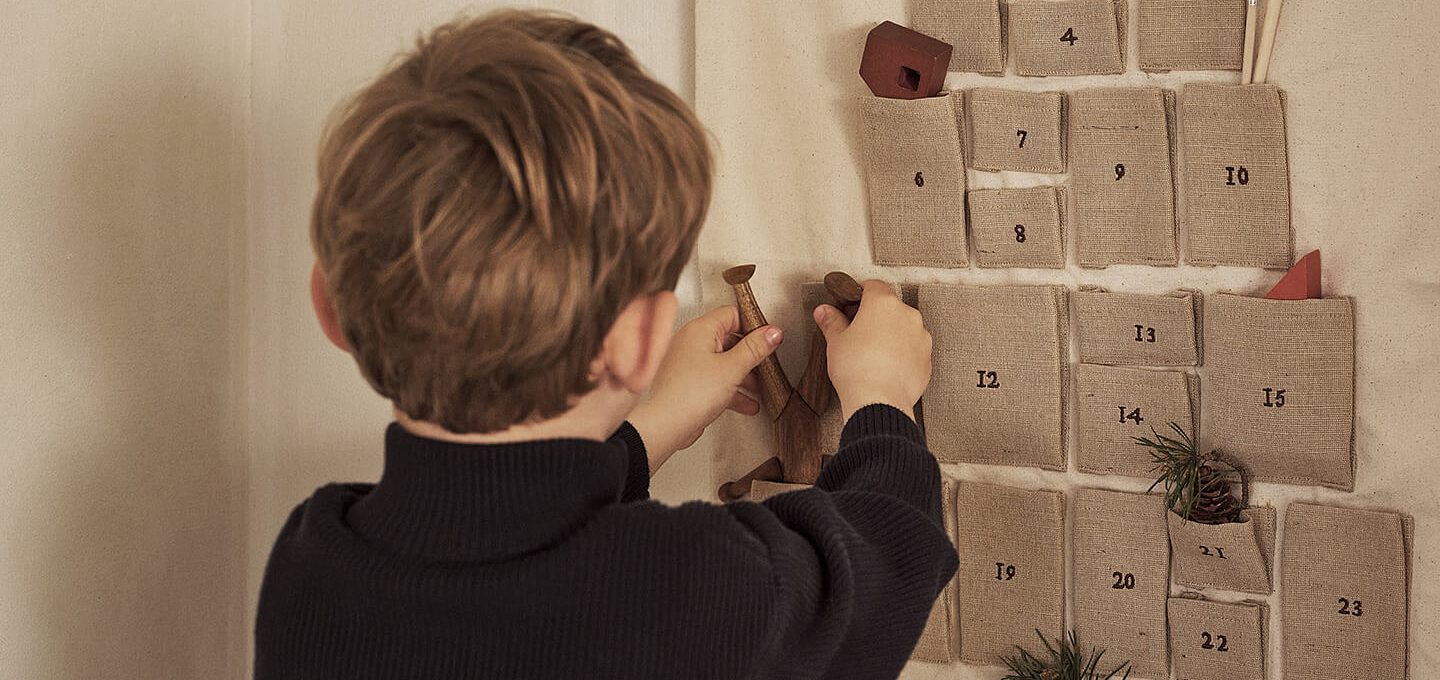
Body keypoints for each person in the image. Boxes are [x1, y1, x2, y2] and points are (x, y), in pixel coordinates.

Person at [254, 9, 956, 680]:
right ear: (642, 339)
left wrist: (648, 432)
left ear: (330, 308)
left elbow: (507, 542)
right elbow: (883, 567)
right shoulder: (695, 586)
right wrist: (882, 402)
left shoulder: (309, 565)